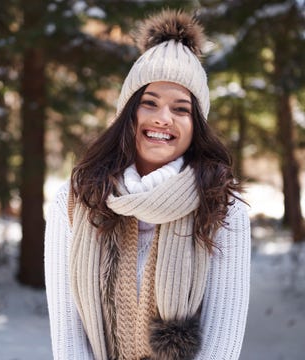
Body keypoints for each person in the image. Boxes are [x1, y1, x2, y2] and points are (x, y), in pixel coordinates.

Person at [45, 9, 251, 360]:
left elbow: (222, 342)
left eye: (181, 109)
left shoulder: (221, 207)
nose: (163, 118)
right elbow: (68, 336)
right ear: (128, 114)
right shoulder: (76, 199)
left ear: (196, 125)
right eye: (149, 103)